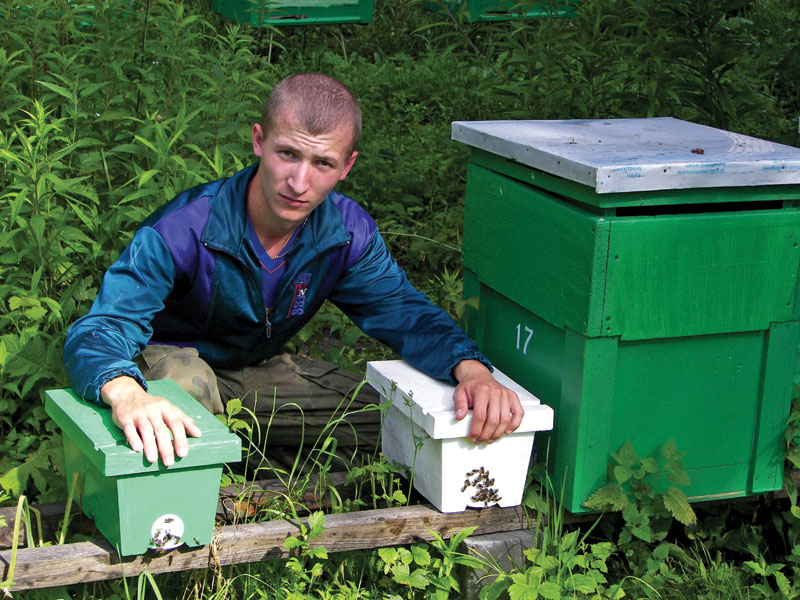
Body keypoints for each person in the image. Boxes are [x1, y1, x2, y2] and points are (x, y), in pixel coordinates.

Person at [63, 73, 523, 468]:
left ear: (346, 167)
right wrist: (127, 393)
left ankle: (255, 463)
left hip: (258, 372)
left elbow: (404, 312)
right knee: (187, 385)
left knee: (401, 419)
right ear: (259, 141)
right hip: (173, 373)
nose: (300, 183)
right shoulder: (184, 228)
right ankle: (202, 507)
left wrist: (473, 370)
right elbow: (101, 328)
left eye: (322, 163)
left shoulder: (345, 233)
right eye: (288, 154)